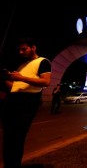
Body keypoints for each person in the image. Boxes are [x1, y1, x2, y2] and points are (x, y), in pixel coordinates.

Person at [1, 36, 51, 168]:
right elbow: (14, 87)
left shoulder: (43, 61)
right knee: (8, 138)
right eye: (20, 50)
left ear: (33, 47)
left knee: (17, 138)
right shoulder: (22, 65)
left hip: (26, 103)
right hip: (12, 101)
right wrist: (4, 78)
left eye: (24, 49)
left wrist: (21, 77)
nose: (21, 52)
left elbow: (46, 82)